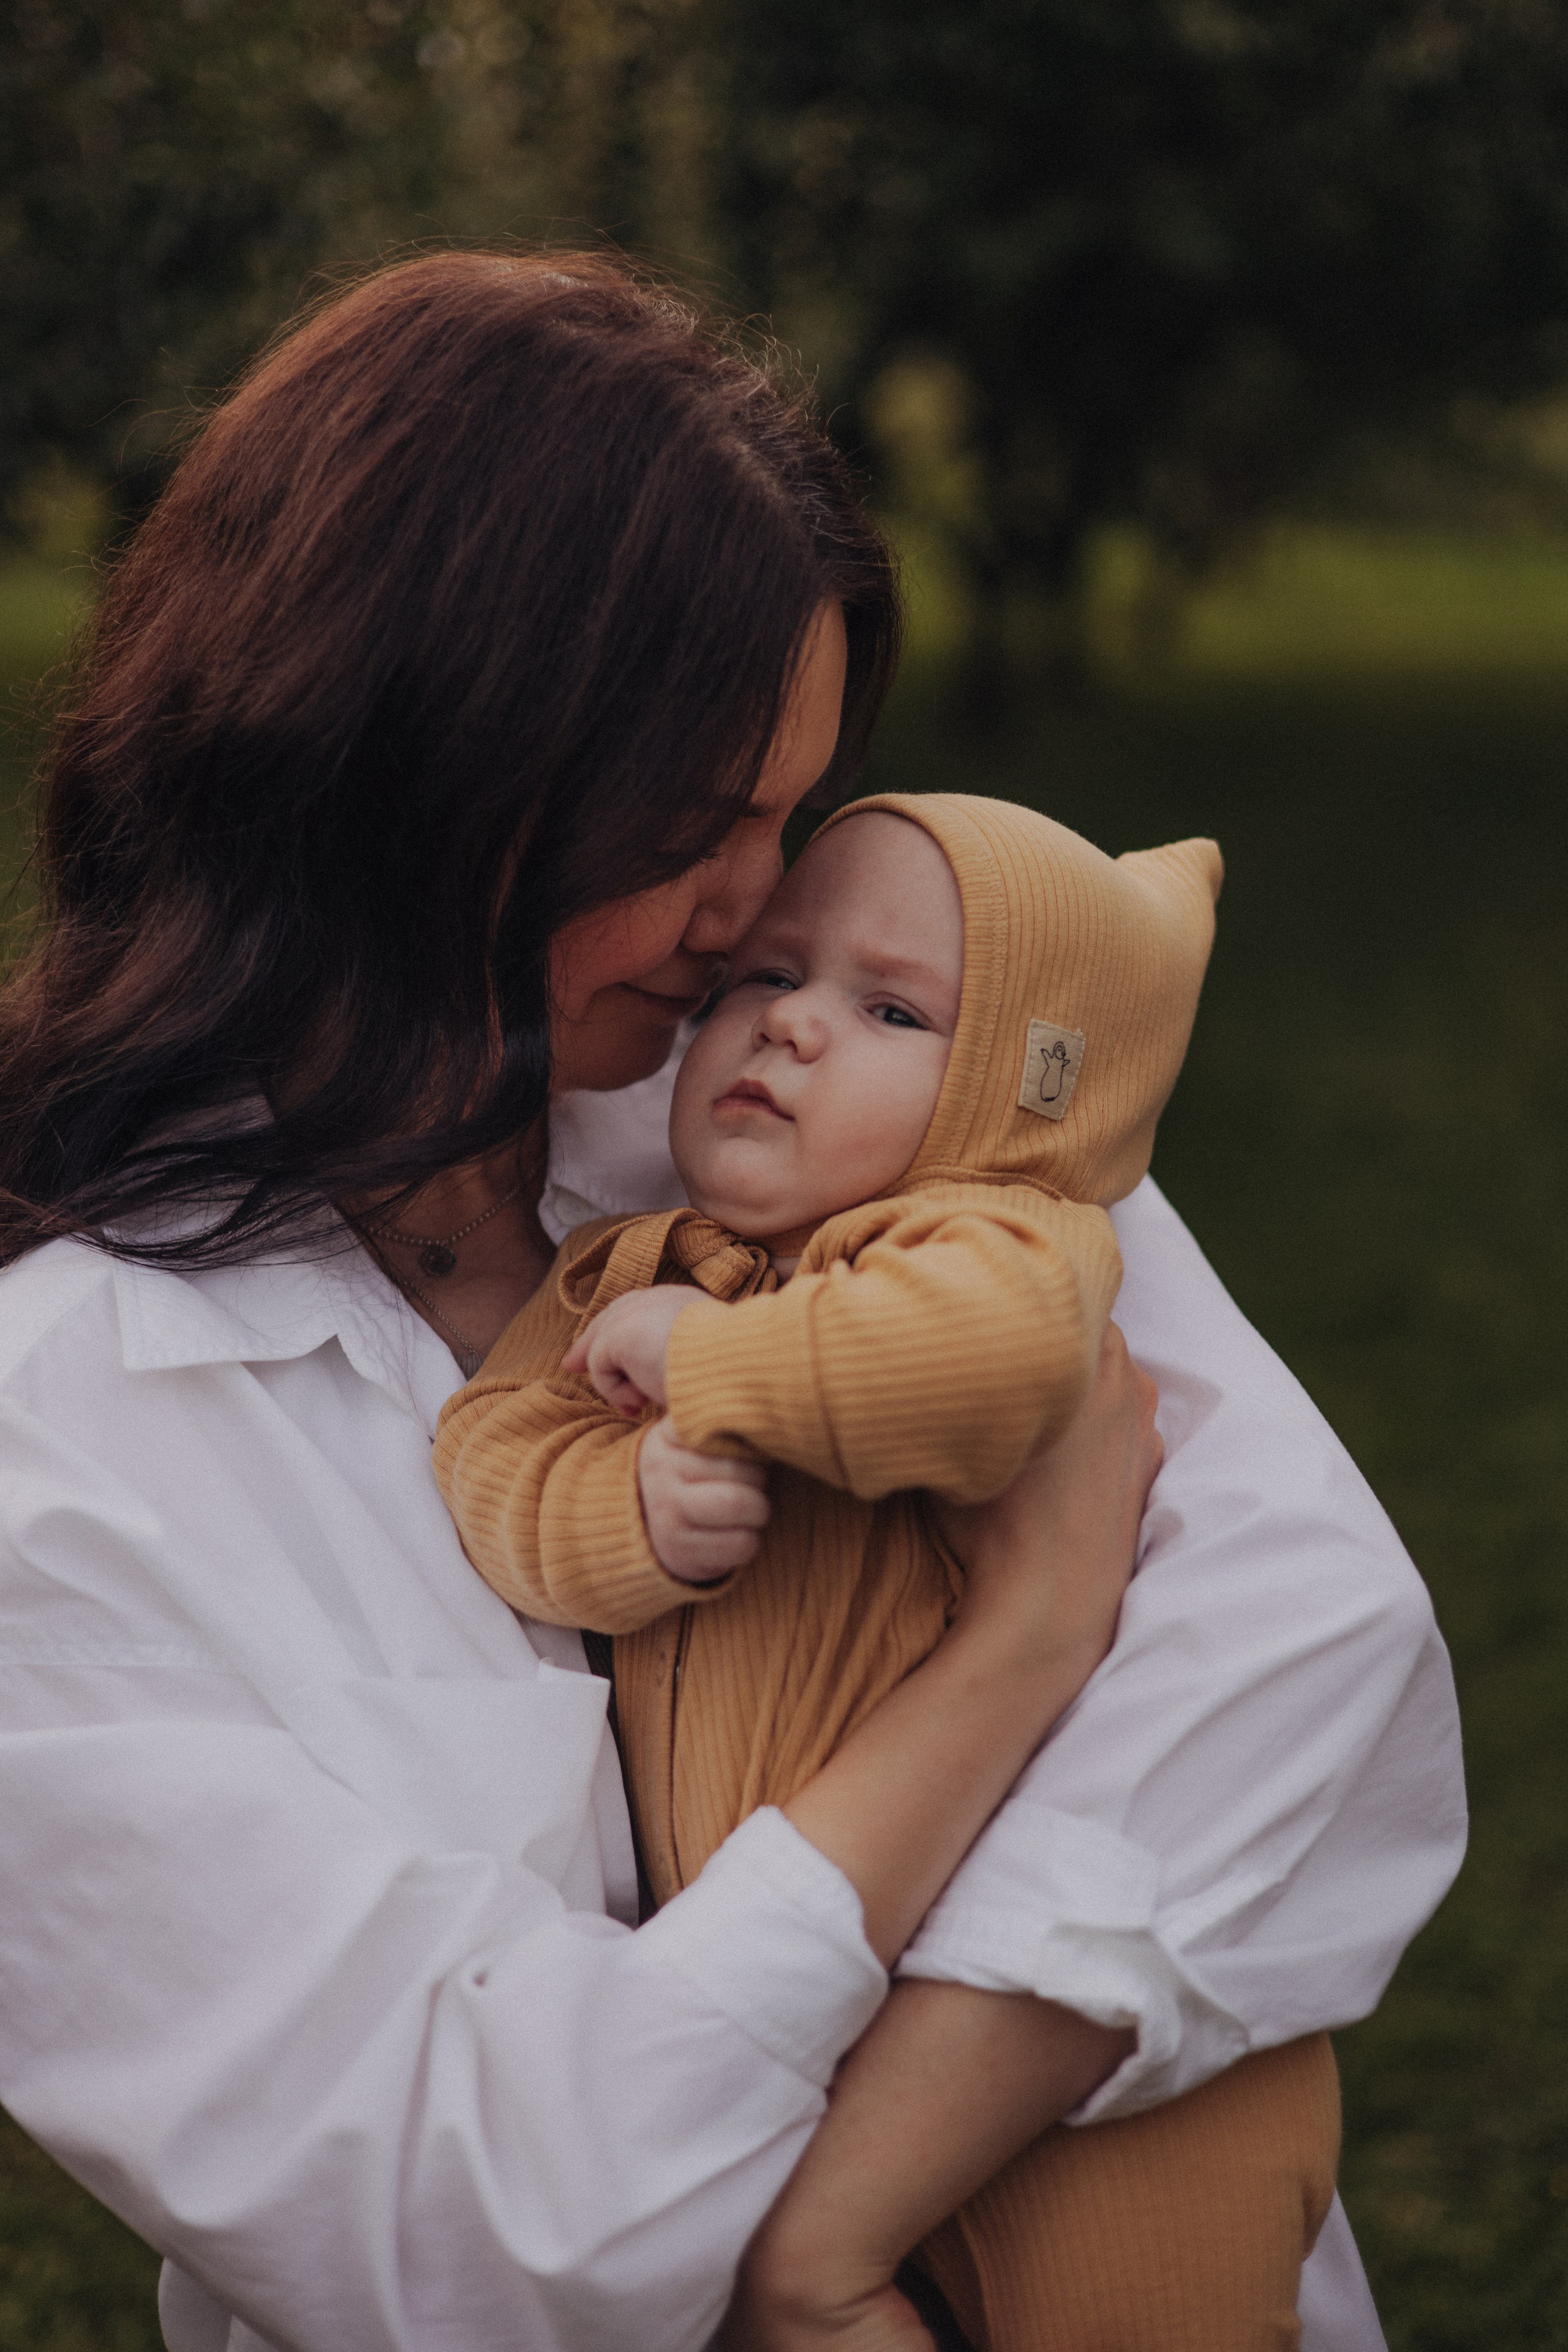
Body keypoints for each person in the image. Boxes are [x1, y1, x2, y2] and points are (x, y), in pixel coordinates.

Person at [0, 251, 1463, 2352]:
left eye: (784, 820)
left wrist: (836, 2208)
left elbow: (1320, 1660)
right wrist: (1028, 1652)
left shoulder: (819, 1101)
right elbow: (508, 2232)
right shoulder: (64, 1464)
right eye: (697, 830)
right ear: (426, 773)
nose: (756, 921)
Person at [434, 788, 1342, 2351]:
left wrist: (718, 1367)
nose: (786, 1027)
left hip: (1058, 2039)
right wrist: (631, 1508)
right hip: (810, 1997)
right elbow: (494, 1454)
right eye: (759, 980)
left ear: (1018, 1093)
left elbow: (974, 1374)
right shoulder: (628, 1272)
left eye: (888, 1007)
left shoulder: (992, 1243)